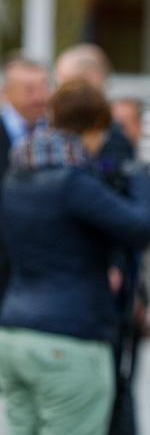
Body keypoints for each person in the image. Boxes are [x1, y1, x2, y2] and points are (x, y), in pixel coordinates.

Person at [0, 80, 150, 435]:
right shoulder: (73, 180)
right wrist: (138, 176)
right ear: (94, 129)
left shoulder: (16, 172)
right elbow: (140, 227)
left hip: (13, 330)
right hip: (69, 340)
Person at [0, 56, 50, 302]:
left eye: (43, 87)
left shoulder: (59, 136)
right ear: (7, 93)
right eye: (29, 89)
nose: (39, 97)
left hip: (46, 266)